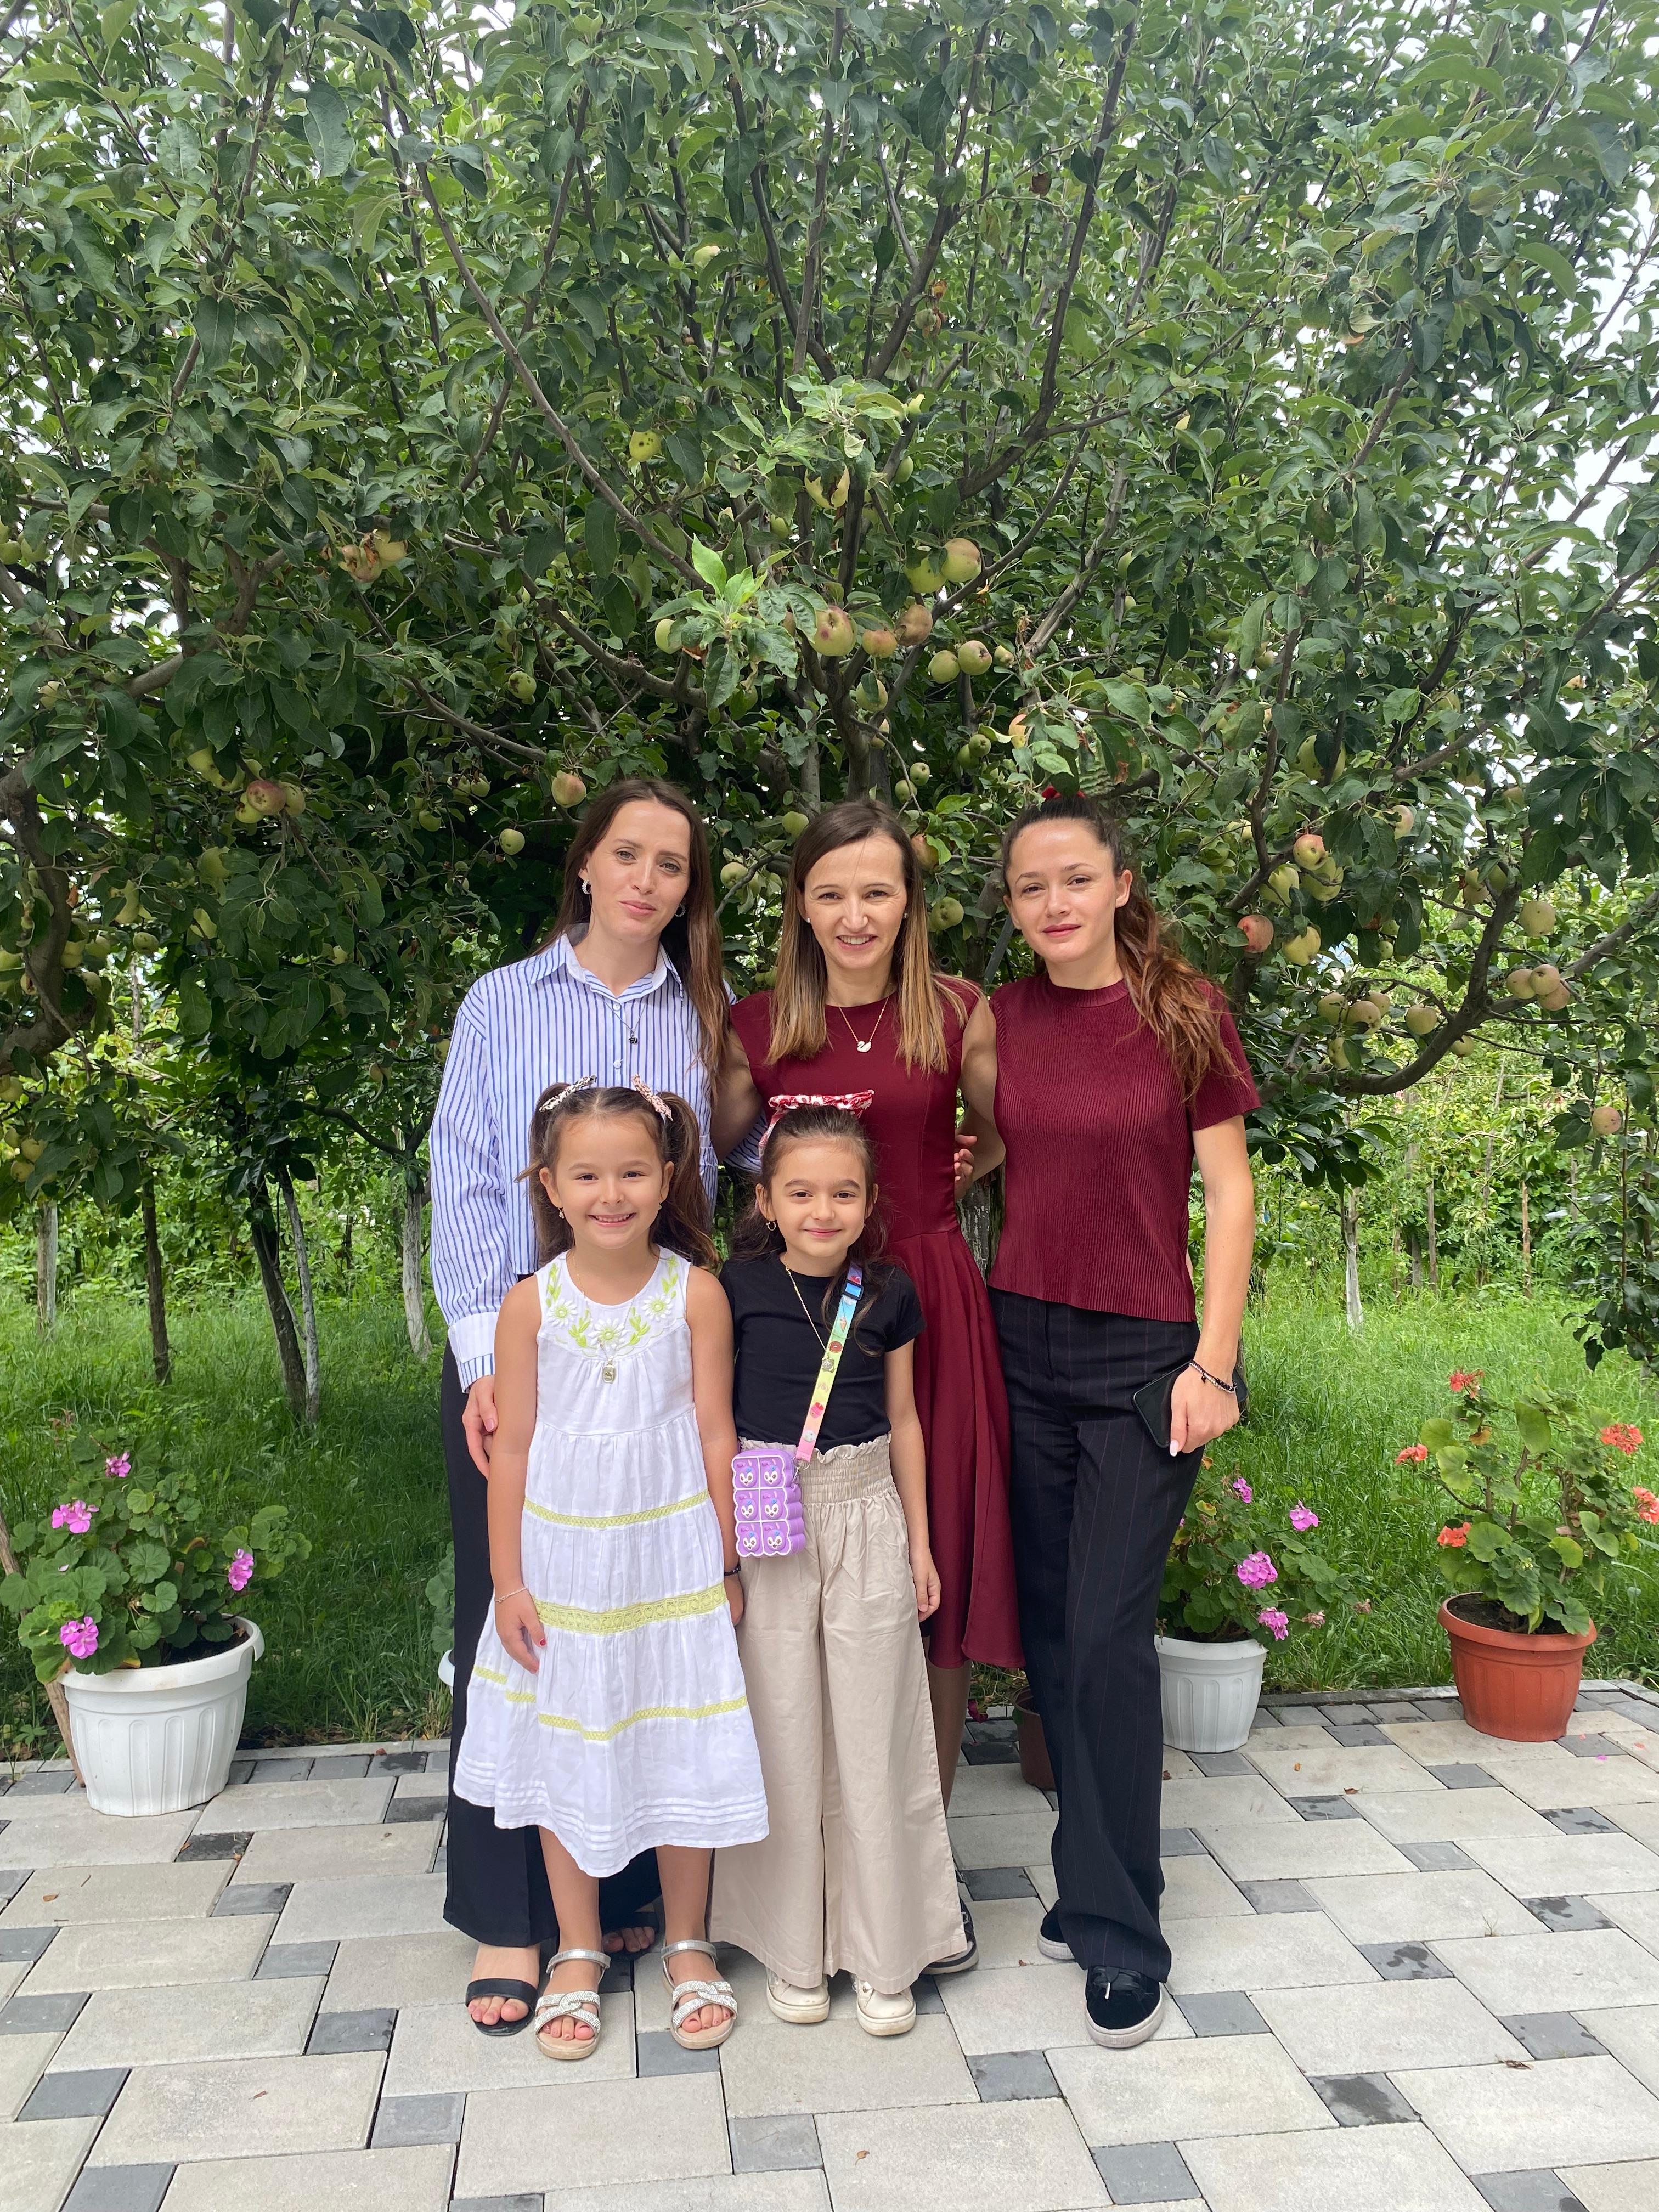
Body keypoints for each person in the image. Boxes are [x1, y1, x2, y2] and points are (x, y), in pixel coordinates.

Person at [430, 776, 734, 2033]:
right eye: (627, 854)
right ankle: (514, 1919)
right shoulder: (502, 1002)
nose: (646, 881)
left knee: (642, 1623)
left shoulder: (702, 1015)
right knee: (523, 1628)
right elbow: (463, 1172)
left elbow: (742, 1150)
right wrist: (479, 1357)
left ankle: (630, 1899)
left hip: (656, 1358)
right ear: (586, 864)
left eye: (671, 863)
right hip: (522, 1348)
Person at [959, 788, 1258, 2050]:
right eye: (1031, 886)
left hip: (1145, 1357)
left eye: (1075, 878)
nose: (1054, 903)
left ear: (1122, 884)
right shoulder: (999, 1020)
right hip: (1019, 1340)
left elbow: (1230, 1194)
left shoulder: (1184, 1011)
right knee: (1054, 1639)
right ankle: (1094, 1874)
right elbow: (993, 1148)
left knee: (1106, 1633)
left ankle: (1123, 1934)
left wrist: (1215, 1365)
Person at [453, 1077, 767, 2061]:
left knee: (678, 1742)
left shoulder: (697, 1294)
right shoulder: (528, 1305)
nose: (611, 1194)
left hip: (670, 1559)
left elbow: (717, 1435)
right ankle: (577, 1950)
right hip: (564, 1570)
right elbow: (512, 1449)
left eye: (632, 1172)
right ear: (549, 1186)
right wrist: (509, 1582)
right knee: (566, 1750)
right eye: (586, 1175)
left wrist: (727, 1561)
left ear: (667, 1177)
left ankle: (687, 1941)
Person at [721, 799, 1022, 1821]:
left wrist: (955, 1180)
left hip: (926, 1293)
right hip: (795, 1312)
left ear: (908, 904)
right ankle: (805, 1827)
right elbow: (716, 1149)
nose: (855, 916)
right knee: (797, 1564)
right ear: (802, 906)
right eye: (832, 894)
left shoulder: (957, 1012)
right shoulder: (758, 1025)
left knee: (934, 1560)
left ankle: (919, 1841)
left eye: (877, 893)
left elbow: (1001, 1133)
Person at [708, 1102, 964, 2035]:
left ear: (869, 1201)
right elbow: (709, 1421)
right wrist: (718, 1553)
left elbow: (905, 1420)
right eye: (802, 1192)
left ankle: (887, 1951)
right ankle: (793, 1948)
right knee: (781, 1727)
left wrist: (921, 1544)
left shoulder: (889, 1292)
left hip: (867, 1513)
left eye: (844, 1193)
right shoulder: (733, 1288)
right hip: (767, 1519)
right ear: (766, 1201)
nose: (823, 1211)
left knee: (874, 1729)